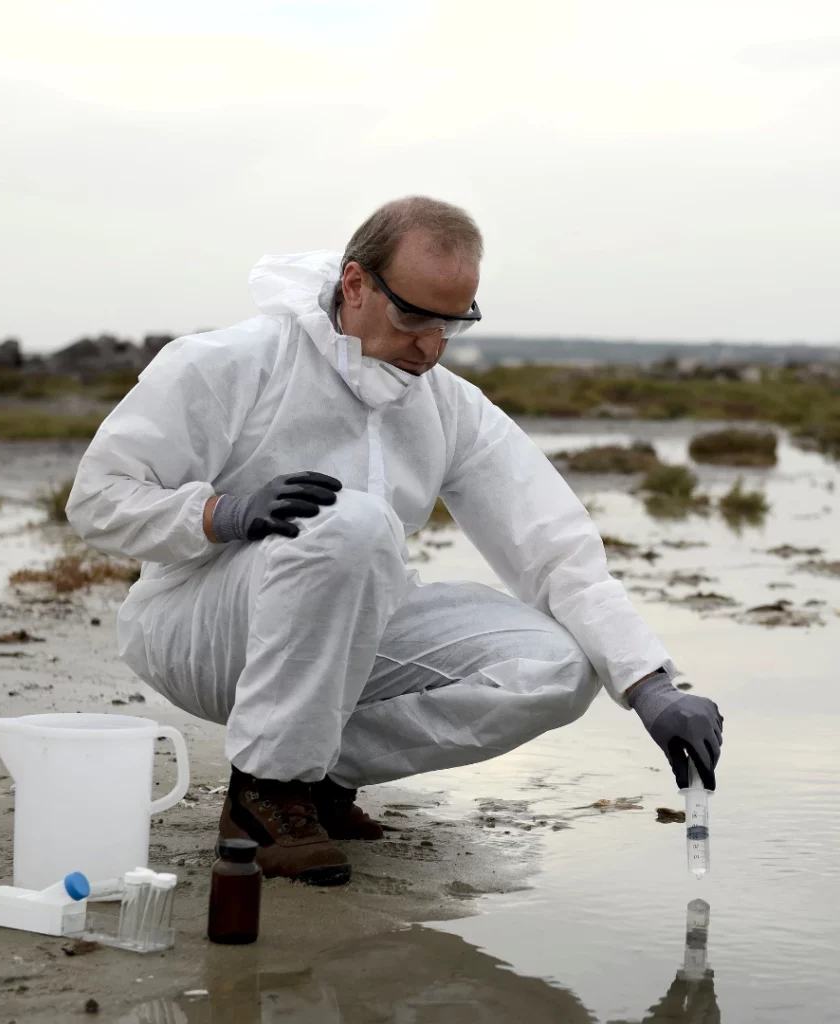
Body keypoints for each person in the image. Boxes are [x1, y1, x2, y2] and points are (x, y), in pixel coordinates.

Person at [66, 196, 724, 887]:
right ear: (355, 285)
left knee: (559, 668)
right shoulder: (231, 363)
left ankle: (315, 775)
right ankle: (265, 790)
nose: (431, 346)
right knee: (357, 522)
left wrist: (649, 684)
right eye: (414, 316)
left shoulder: (449, 405)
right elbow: (99, 498)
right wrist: (222, 514)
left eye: (453, 323)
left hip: (348, 635)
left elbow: (552, 545)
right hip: (196, 627)